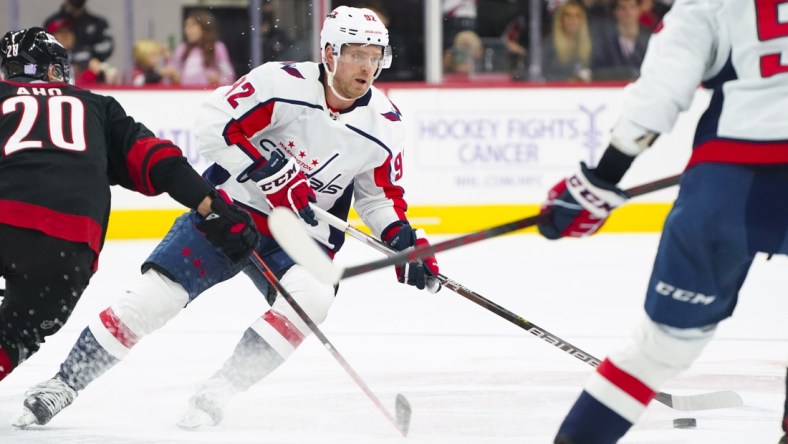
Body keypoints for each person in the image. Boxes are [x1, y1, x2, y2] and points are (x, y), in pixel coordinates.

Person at [14, 6, 441, 430]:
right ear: (329, 52)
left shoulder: (384, 123)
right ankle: (64, 383)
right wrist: (269, 170)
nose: (367, 66)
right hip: (229, 215)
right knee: (151, 301)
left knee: (314, 298)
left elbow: (379, 198)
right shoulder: (279, 83)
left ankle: (221, 388)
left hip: (299, 237)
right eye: (356, 54)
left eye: (374, 56)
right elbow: (212, 124)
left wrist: (403, 241)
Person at [535, 0, 788, 442]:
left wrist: (600, 181)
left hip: (729, 185)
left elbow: (660, 91)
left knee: (659, 349)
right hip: (731, 180)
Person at [0, 27, 258, 391]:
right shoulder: (96, 106)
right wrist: (213, 206)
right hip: (68, 244)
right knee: (15, 334)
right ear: (54, 71)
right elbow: (158, 160)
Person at [43, 0, 114, 76]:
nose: (65, 37)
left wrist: (88, 52)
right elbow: (45, 49)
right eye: (62, 33)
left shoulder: (98, 23)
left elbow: (107, 46)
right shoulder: (53, 23)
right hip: (60, 70)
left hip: (90, 68)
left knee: (109, 72)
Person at [167, 9, 235, 87]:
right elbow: (171, 77)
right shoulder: (182, 49)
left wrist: (218, 79)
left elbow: (230, 77)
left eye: (192, 26)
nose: (187, 30)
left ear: (204, 28)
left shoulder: (217, 47)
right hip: (185, 95)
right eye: (186, 26)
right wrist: (172, 73)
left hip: (207, 94)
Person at [591, 0, 652, 81]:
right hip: (611, 88)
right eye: (623, 8)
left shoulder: (649, 38)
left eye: (632, 7)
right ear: (615, 12)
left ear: (639, 10)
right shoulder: (604, 39)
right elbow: (597, 70)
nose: (628, 12)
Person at [541, 1, 593, 82]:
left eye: (577, 16)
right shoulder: (549, 44)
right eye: (568, 16)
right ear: (560, 20)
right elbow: (540, 74)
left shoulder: (591, 44)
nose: (573, 20)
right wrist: (565, 80)